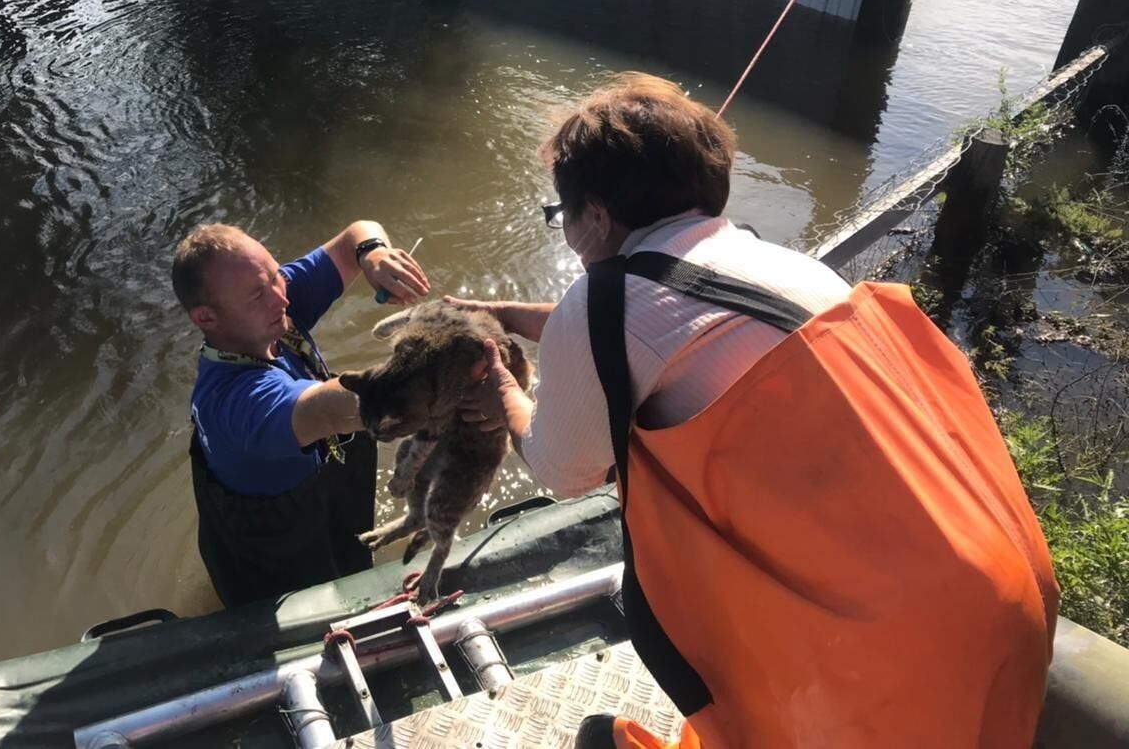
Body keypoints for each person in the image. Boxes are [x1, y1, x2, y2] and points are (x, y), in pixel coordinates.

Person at [456, 74, 1059, 749]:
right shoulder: (790, 270)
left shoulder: (599, 307)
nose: (566, 231)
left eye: (562, 214)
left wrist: (505, 390)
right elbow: (646, 331)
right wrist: (508, 315)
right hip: (1011, 592)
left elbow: (563, 468)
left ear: (596, 215)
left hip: (893, 649)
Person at [172, 221, 429, 608]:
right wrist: (443, 374)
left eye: (276, 275)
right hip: (275, 564)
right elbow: (329, 410)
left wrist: (373, 255)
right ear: (206, 319)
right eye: (258, 294)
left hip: (323, 512)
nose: (282, 299)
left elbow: (354, 236)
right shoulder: (236, 401)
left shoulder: (266, 312)